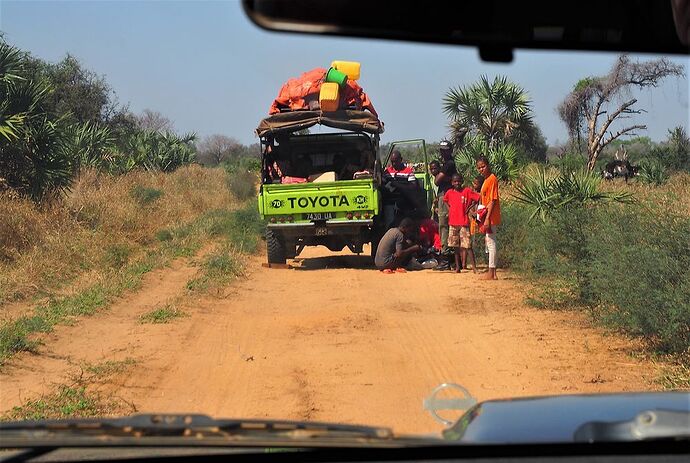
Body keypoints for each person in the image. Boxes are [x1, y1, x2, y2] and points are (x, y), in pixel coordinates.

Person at [443, 173, 480, 273]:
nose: (457, 183)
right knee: (455, 246)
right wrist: (449, 209)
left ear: (462, 181)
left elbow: (477, 198)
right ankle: (458, 267)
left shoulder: (466, 191)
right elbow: (445, 200)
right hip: (453, 223)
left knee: (468, 245)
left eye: (459, 181)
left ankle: (474, 267)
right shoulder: (450, 192)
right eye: (455, 181)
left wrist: (470, 208)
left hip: (463, 222)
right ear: (452, 183)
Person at [433, 140, 457, 270]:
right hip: (447, 196)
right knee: (446, 226)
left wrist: (440, 176)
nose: (443, 152)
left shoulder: (448, 164)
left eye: (445, 150)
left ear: (450, 150)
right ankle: (451, 258)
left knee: (444, 226)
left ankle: (446, 259)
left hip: (446, 197)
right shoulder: (448, 164)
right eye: (441, 150)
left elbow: (437, 181)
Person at [476, 156, 501, 280]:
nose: (481, 169)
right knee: (489, 242)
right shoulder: (486, 180)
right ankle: (492, 272)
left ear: (488, 165)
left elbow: (492, 201)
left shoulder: (492, 179)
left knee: (491, 242)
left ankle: (492, 272)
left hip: (490, 216)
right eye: (479, 167)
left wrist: (487, 219)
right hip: (487, 215)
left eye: (483, 166)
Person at [466, 175, 484, 272]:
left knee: (477, 240)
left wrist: (475, 214)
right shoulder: (473, 194)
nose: (474, 185)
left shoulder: (481, 195)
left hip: (478, 220)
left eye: (476, 184)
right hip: (472, 220)